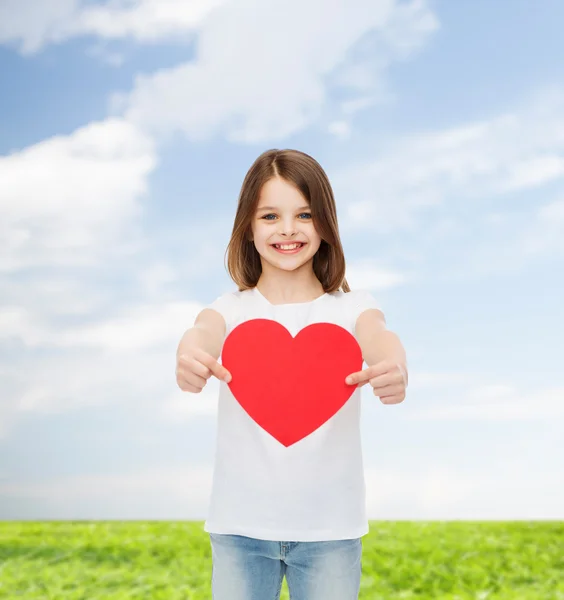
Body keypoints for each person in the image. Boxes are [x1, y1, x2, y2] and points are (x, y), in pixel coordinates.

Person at [175, 149, 408, 600]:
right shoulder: (230, 310)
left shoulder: (352, 308)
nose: (287, 229)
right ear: (248, 226)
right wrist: (190, 354)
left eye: (304, 214)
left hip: (331, 531)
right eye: (269, 216)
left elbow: (380, 336)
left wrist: (392, 365)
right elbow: (201, 333)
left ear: (326, 222)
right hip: (239, 528)